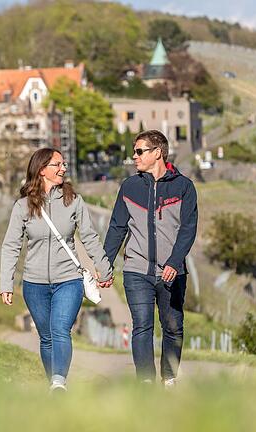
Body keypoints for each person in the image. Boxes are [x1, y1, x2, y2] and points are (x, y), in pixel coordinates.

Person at [0, 148, 113, 392]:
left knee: (60, 329)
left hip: (68, 279)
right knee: (46, 337)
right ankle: (54, 382)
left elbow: (90, 237)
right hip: (34, 283)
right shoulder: (22, 206)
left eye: (63, 164)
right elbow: (11, 245)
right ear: (42, 170)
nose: (63, 168)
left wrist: (103, 267)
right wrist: (5, 283)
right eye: (57, 164)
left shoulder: (74, 201)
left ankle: (59, 383)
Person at [103, 130, 198, 387]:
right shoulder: (130, 187)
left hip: (172, 271)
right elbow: (117, 228)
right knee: (142, 325)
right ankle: (145, 381)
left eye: (139, 151)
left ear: (157, 153)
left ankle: (169, 377)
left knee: (173, 326)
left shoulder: (184, 187)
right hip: (136, 269)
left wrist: (174, 262)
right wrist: (104, 265)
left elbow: (188, 229)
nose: (134, 156)